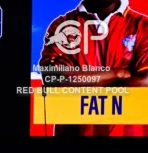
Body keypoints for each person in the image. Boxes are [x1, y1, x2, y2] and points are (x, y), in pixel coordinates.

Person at [38, 0, 148, 136]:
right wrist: (118, 74)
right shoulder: (62, 26)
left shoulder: (143, 26)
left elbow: (145, 83)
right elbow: (54, 78)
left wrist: (80, 83)